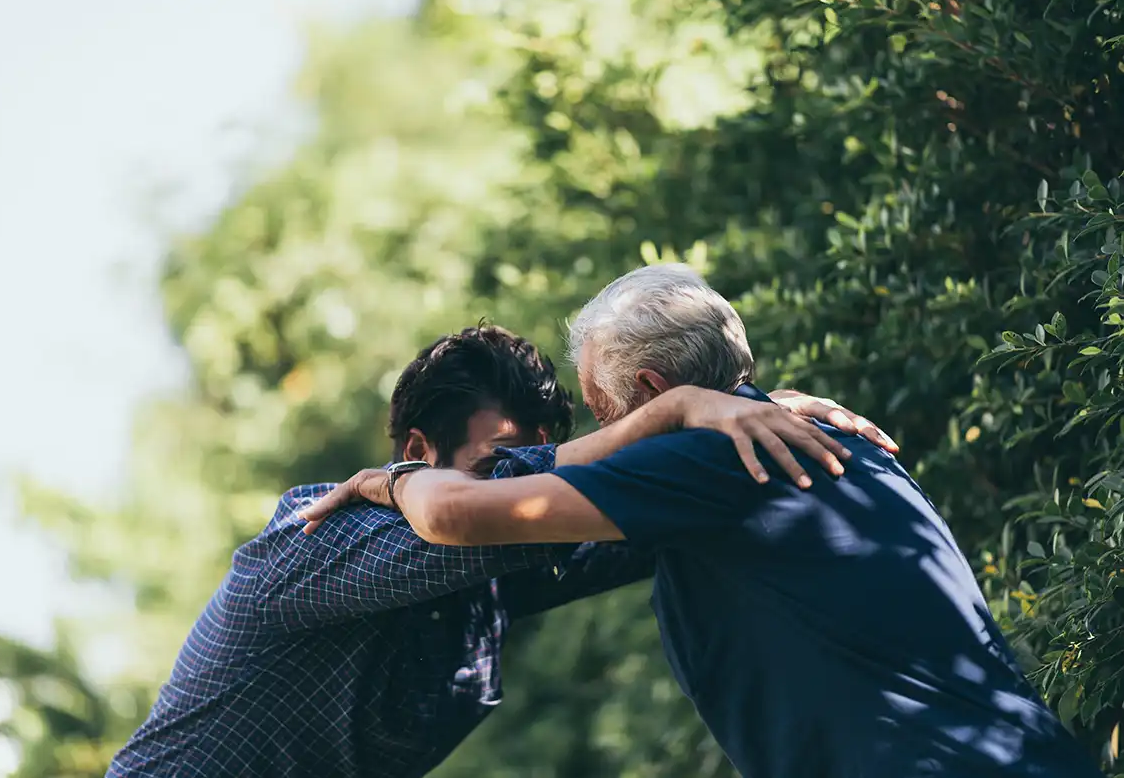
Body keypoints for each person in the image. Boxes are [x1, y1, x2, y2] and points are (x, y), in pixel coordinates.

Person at [312, 268, 1104, 778]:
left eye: (600, 410)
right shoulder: (814, 442)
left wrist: (386, 479)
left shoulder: (701, 459)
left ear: (652, 389)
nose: (601, 435)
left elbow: (454, 513)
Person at [108, 323, 889, 778]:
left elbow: (654, 508)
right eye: (495, 464)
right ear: (419, 449)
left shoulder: (489, 573)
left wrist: (754, 418)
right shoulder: (321, 531)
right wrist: (680, 411)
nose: (515, 486)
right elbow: (520, 499)